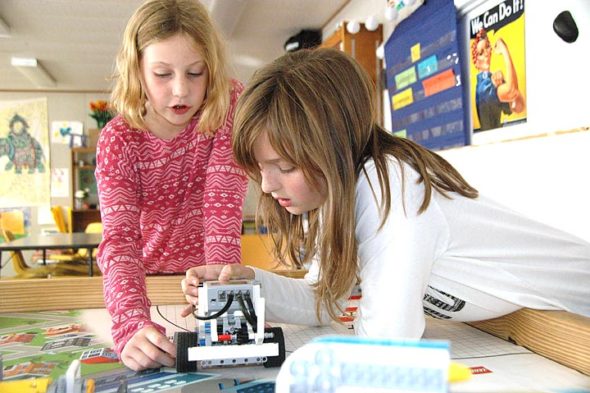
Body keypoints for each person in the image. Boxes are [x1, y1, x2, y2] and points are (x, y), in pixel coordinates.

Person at [181, 48, 590, 342]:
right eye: (261, 169)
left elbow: (388, 343)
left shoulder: (389, 185)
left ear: (332, 149)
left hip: (577, 319)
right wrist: (249, 284)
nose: (268, 186)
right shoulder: (337, 195)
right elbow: (324, 300)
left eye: (285, 167)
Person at [95, 0, 248, 371]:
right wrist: (130, 320)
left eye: (196, 73)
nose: (181, 91)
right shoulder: (118, 140)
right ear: (137, 71)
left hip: (209, 281)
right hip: (145, 285)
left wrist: (222, 290)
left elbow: (222, 206)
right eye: (162, 74)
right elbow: (120, 241)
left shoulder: (228, 104)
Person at [472, 28, 525, 131]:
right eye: (481, 53)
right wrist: (505, 51)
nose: (486, 53)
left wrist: (504, 82)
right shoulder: (484, 87)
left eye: (487, 47)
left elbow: (518, 107)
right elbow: (512, 91)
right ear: (476, 61)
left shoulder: (492, 81)